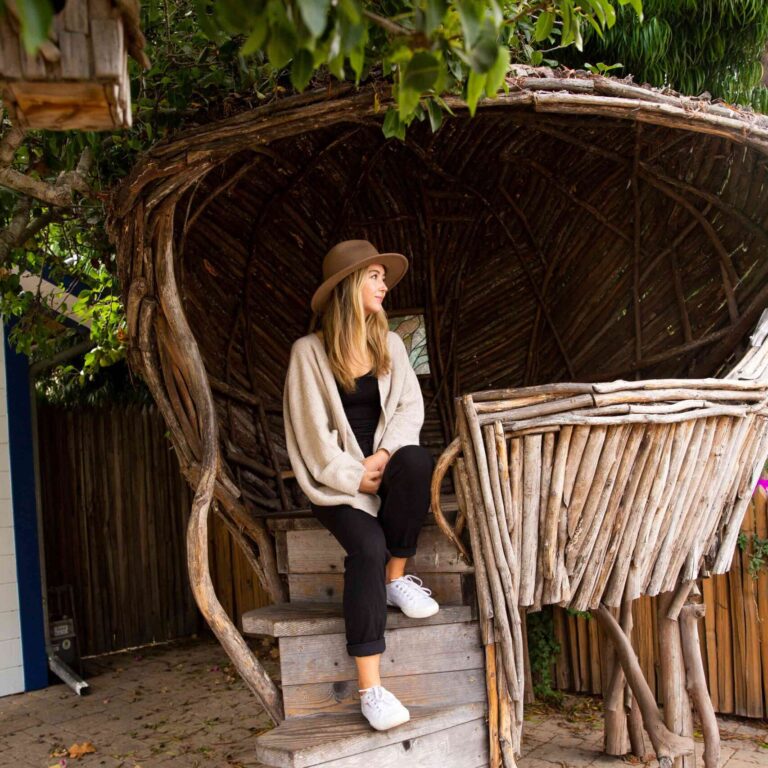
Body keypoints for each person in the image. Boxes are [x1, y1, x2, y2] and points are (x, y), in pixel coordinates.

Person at [283, 239, 439, 731]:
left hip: (385, 466)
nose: (383, 284)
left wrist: (385, 456)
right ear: (349, 286)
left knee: (416, 463)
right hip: (337, 484)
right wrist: (356, 474)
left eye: (383, 276)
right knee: (365, 548)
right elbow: (310, 432)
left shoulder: (390, 344)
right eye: (373, 275)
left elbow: (410, 409)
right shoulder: (308, 353)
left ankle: (396, 579)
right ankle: (371, 690)